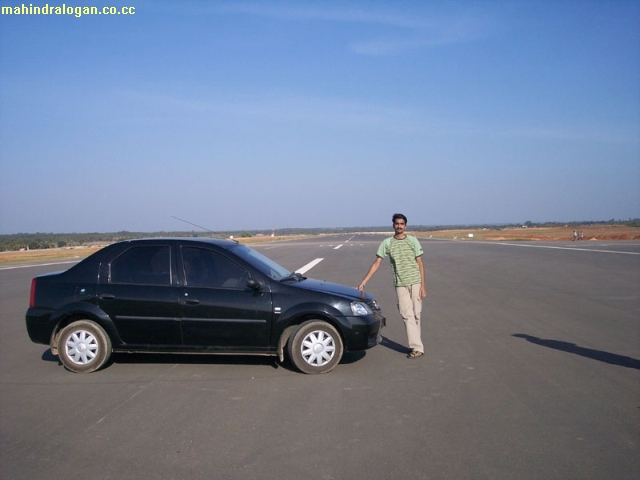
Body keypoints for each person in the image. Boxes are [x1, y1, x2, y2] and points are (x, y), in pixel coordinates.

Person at [357, 213, 427, 359]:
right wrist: (363, 282)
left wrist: (423, 286)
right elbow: (377, 263)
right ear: (393, 225)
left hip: (415, 282)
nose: (399, 226)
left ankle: (416, 345)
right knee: (406, 315)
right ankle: (416, 347)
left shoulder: (413, 241)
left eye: (402, 224)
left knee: (416, 315)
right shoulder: (387, 243)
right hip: (400, 284)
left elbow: (420, 263)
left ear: (405, 226)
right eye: (397, 223)